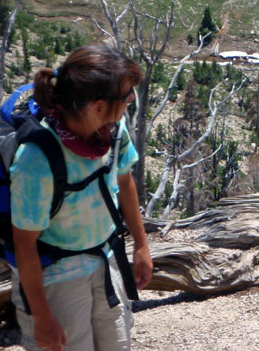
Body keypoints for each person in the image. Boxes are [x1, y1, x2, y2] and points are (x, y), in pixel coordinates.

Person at [9, 44, 152, 351]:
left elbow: (124, 180)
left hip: (106, 261)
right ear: (98, 106)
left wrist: (141, 244)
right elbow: (24, 244)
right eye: (125, 98)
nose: (129, 103)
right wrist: (42, 317)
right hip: (57, 277)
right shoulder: (36, 160)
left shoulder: (112, 131)